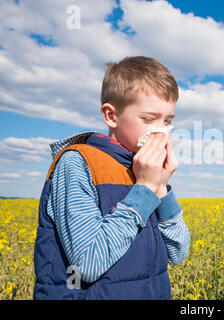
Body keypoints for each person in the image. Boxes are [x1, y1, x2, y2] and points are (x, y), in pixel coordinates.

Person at [33, 56, 190, 300]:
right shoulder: (77, 162)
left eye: (168, 121)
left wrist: (160, 186)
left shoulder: (143, 170)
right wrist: (146, 187)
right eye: (149, 119)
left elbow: (179, 253)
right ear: (111, 116)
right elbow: (87, 264)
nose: (162, 131)